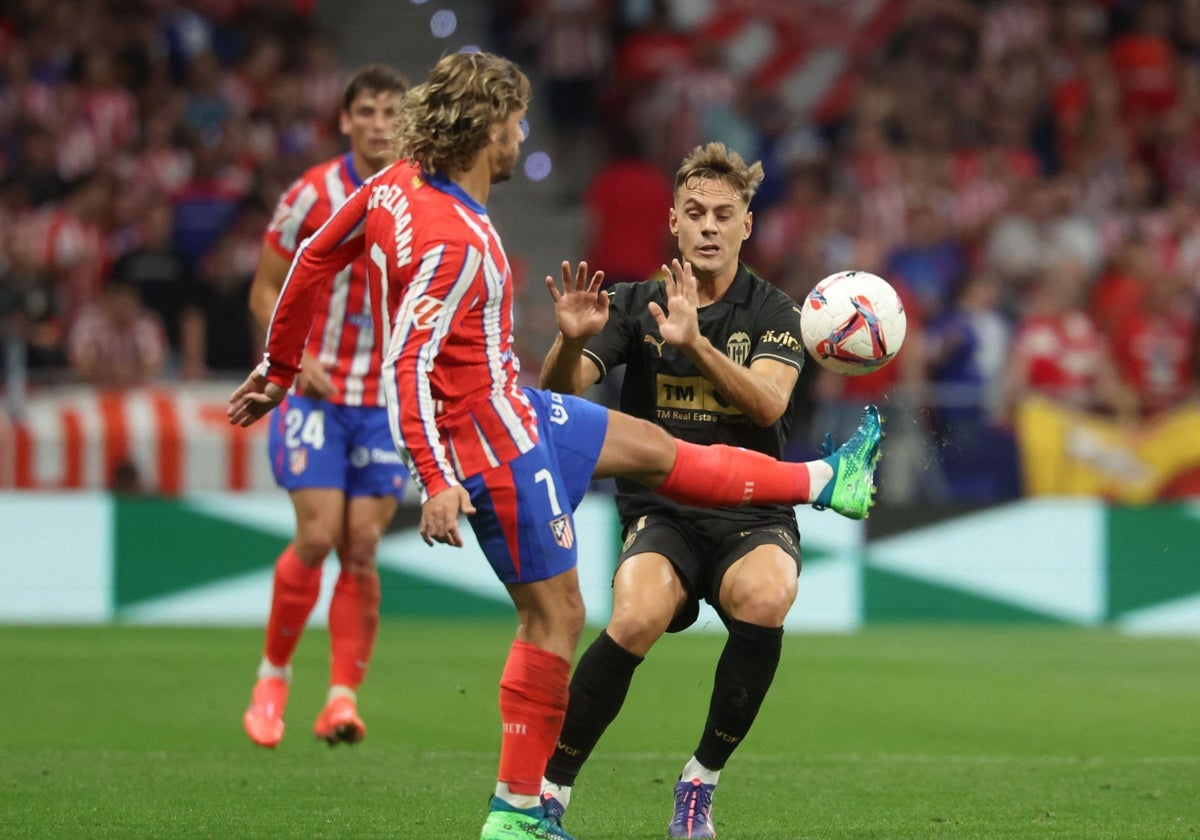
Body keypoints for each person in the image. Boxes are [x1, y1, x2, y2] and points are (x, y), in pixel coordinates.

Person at [226, 51, 881, 840]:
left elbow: (315, 253)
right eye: (515, 124)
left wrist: (279, 364)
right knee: (557, 617)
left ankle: (821, 479)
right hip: (491, 440)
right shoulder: (458, 239)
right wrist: (433, 477)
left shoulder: (396, 184)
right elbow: (407, 362)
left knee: (652, 445)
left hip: (519, 407)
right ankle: (518, 812)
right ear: (488, 129)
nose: (521, 137)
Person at [536, 141, 813, 838]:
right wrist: (571, 342)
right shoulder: (633, 302)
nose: (710, 227)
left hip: (752, 512)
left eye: (725, 214)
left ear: (747, 225)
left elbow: (769, 407)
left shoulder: (776, 312)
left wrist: (695, 345)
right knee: (633, 619)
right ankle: (548, 793)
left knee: (768, 594)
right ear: (674, 224)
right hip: (661, 513)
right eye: (696, 213)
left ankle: (700, 782)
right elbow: (557, 399)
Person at [240, 64, 410, 750]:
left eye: (390, 112)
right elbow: (263, 290)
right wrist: (291, 358)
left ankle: (341, 699)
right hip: (313, 391)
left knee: (362, 547)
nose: (377, 123)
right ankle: (273, 676)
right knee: (317, 537)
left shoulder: (422, 194)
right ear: (344, 120)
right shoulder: (311, 193)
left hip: (382, 401)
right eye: (365, 111)